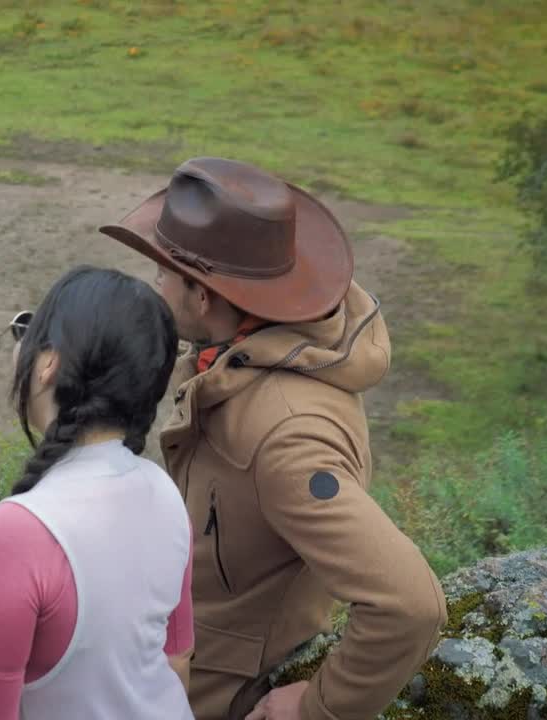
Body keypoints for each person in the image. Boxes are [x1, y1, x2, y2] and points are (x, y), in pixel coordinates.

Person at [99, 158, 448, 720]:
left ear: (205, 295)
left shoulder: (284, 435)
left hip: (209, 700)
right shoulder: (244, 362)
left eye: (163, 272)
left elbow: (410, 605)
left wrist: (318, 706)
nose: (155, 285)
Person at [0, 266, 195, 720]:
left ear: (48, 362)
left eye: (27, 330)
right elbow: (176, 664)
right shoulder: (164, 492)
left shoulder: (18, 532)